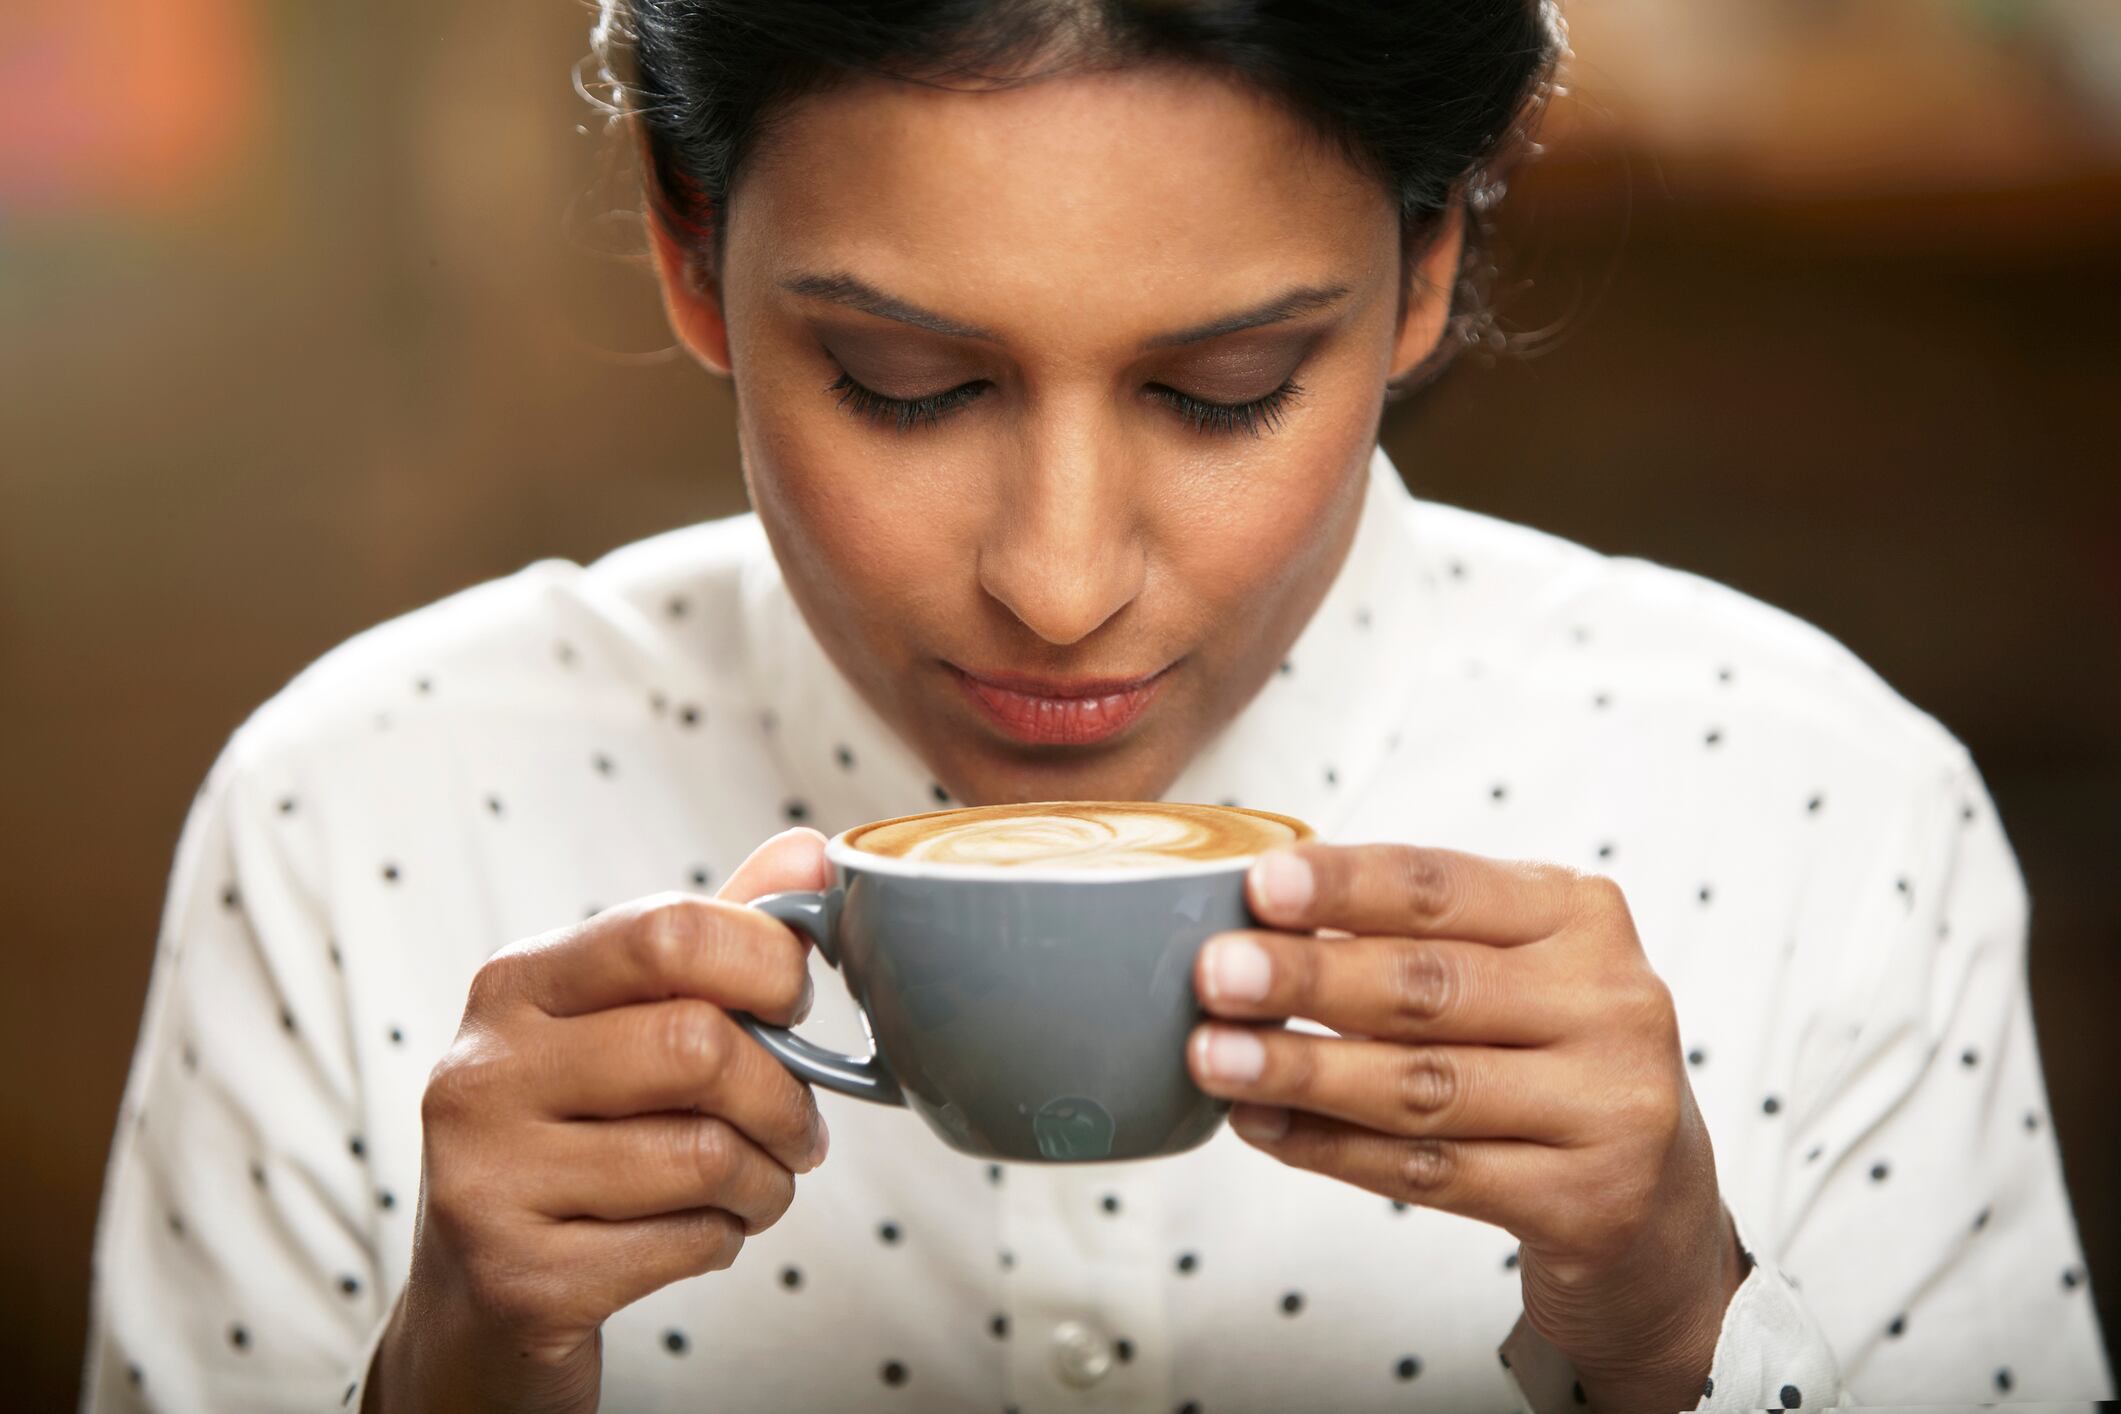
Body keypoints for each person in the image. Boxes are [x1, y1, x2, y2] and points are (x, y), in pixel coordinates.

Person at [82, 2, 2112, 1411]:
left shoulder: (1821, 810)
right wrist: (456, 1372)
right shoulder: (355, 811)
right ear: (690, 246)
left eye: (1225, 392)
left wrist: (1678, 1322)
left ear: (1424, 266)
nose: (1058, 583)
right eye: (902, 383)